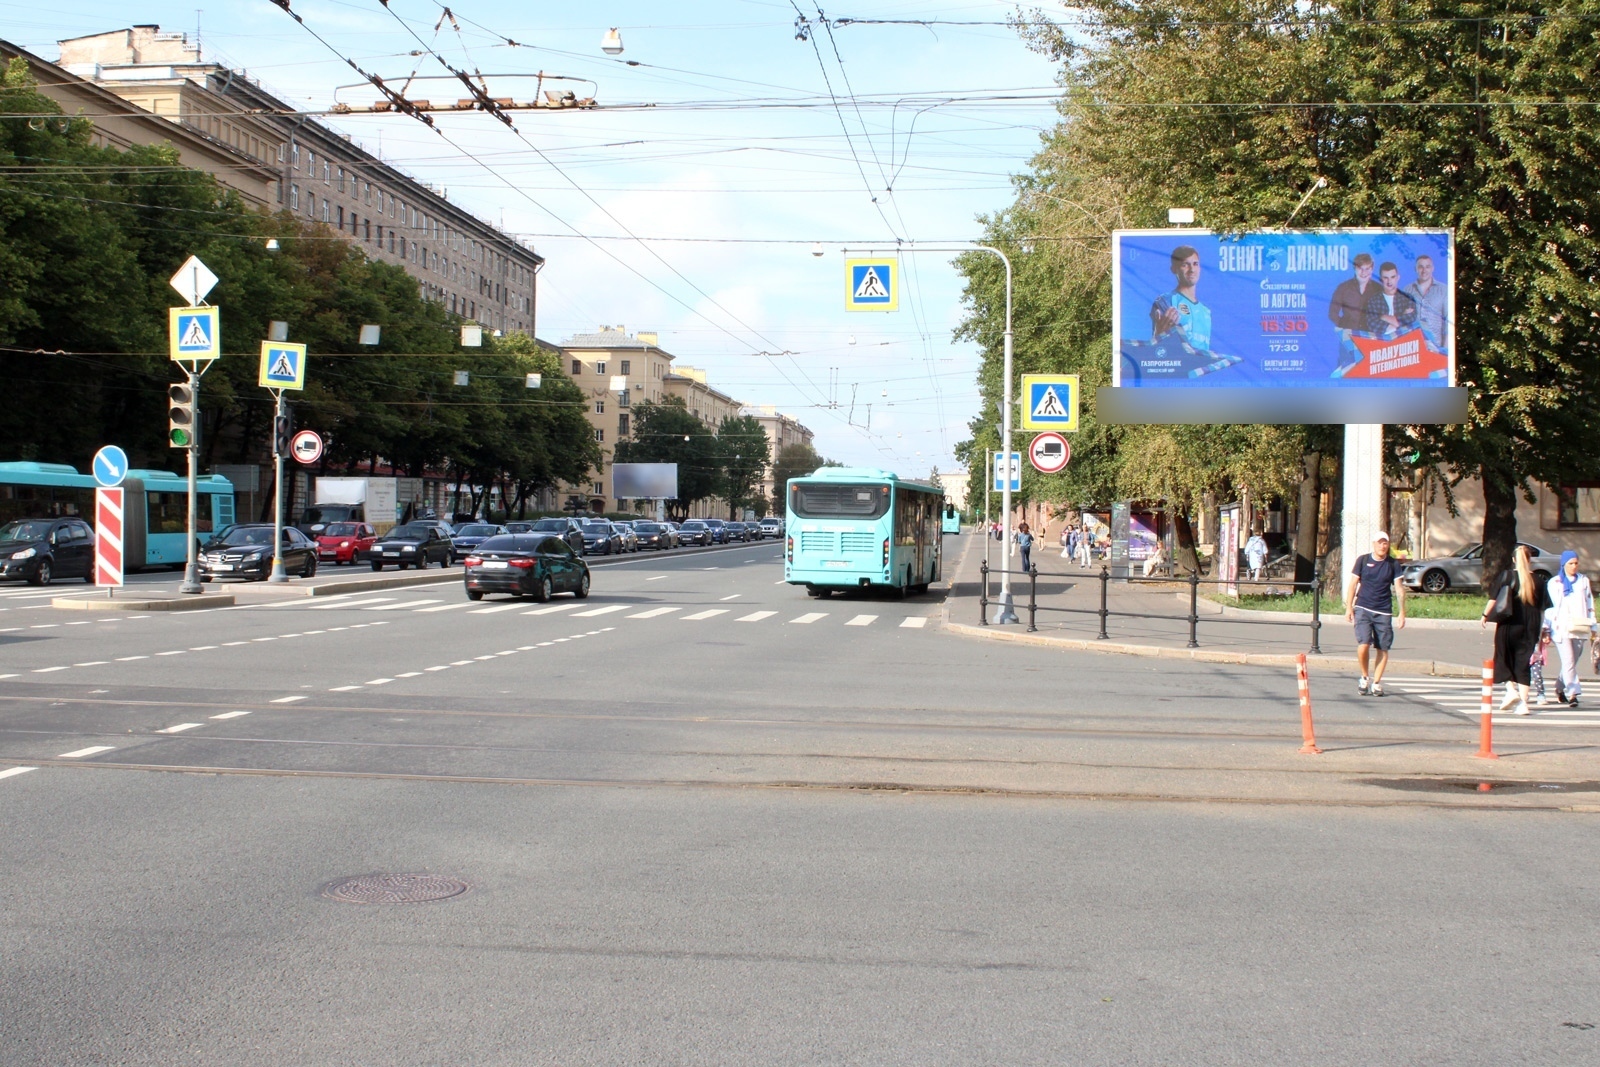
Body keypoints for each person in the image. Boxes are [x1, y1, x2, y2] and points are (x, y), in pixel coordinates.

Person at [1481, 544, 1554, 715]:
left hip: (1509, 624)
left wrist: (1485, 615)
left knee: (1503, 656)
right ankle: (1524, 704)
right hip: (1531, 627)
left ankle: (1510, 690)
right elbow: (1545, 608)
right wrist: (1544, 631)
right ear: (1530, 560)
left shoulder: (1507, 576)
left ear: (1514, 559)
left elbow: (1494, 598)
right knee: (1523, 664)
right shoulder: (1539, 580)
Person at [1345, 531, 1407, 697]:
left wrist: (1402, 613)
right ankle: (1364, 676)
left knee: (1383, 648)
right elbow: (1352, 585)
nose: (1382, 546)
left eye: (1385, 543)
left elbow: (1400, 589)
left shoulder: (1393, 564)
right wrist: (1349, 607)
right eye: (1380, 542)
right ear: (1374, 544)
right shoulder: (1363, 560)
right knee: (1363, 644)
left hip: (1383, 611)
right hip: (1363, 608)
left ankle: (1377, 683)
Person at [1544, 550, 1596, 708]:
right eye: (1570, 563)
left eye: (1576, 563)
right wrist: (1546, 629)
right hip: (1561, 627)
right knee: (1568, 660)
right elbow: (1551, 607)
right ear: (1563, 564)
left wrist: (1593, 627)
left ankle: (1559, 688)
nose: (1574, 566)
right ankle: (1573, 693)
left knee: (1572, 662)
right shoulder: (1555, 583)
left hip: (1580, 625)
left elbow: (1589, 604)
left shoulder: (1583, 581)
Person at [1149, 245, 1212, 352]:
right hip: (1177, 366)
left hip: (1200, 368)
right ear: (1174, 269)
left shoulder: (1206, 311)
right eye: (1185, 265)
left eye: (1195, 264)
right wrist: (1158, 336)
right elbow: (1157, 348)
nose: (1192, 270)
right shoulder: (1166, 301)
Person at [1328, 253, 1376, 371]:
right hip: (1347, 340)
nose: (1364, 273)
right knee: (1346, 373)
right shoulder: (1343, 288)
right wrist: (1345, 327)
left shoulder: (1378, 289)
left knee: (1370, 373)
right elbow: (1332, 312)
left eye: (1367, 269)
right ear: (1354, 268)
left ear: (1372, 269)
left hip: (1371, 340)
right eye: (1360, 268)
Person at [1362, 261, 1419, 338]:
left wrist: (1383, 317)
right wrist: (1400, 321)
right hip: (1381, 345)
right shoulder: (1373, 301)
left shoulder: (1407, 298)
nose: (1389, 282)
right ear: (1380, 279)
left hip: (1405, 343)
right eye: (1386, 278)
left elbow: (1411, 319)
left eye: (1392, 277)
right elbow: (1372, 324)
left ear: (1398, 278)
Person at [1404, 253, 1448, 351]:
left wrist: (1444, 350)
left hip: (1436, 346)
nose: (1424, 270)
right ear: (1415, 269)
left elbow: (1448, 321)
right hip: (1413, 346)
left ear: (1433, 268)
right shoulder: (1407, 290)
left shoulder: (1444, 290)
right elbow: (1402, 319)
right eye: (1421, 267)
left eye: (1427, 267)